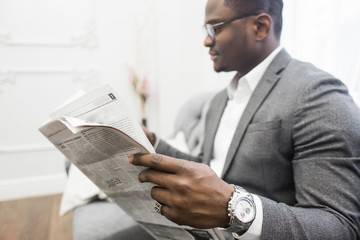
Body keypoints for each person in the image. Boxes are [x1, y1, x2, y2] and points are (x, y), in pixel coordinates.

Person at [130, 0, 360, 239]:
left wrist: (234, 210)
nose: (207, 41)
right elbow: (212, 169)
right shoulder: (219, 101)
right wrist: (154, 144)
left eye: (216, 28)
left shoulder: (317, 94)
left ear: (260, 26)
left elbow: (340, 226)